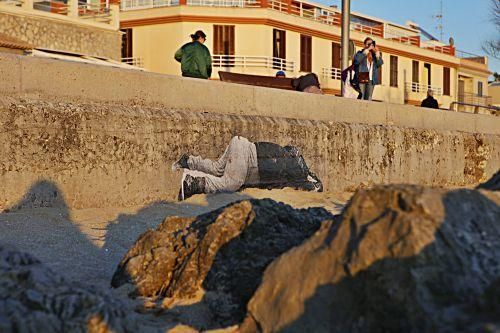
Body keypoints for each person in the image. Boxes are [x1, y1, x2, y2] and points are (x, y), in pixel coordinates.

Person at [172, 136, 323, 200]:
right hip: (246, 156)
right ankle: (194, 184)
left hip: (240, 144)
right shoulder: (295, 169)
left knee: (218, 169)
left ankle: (189, 161)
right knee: (230, 184)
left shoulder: (290, 157)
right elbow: (308, 184)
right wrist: (312, 185)